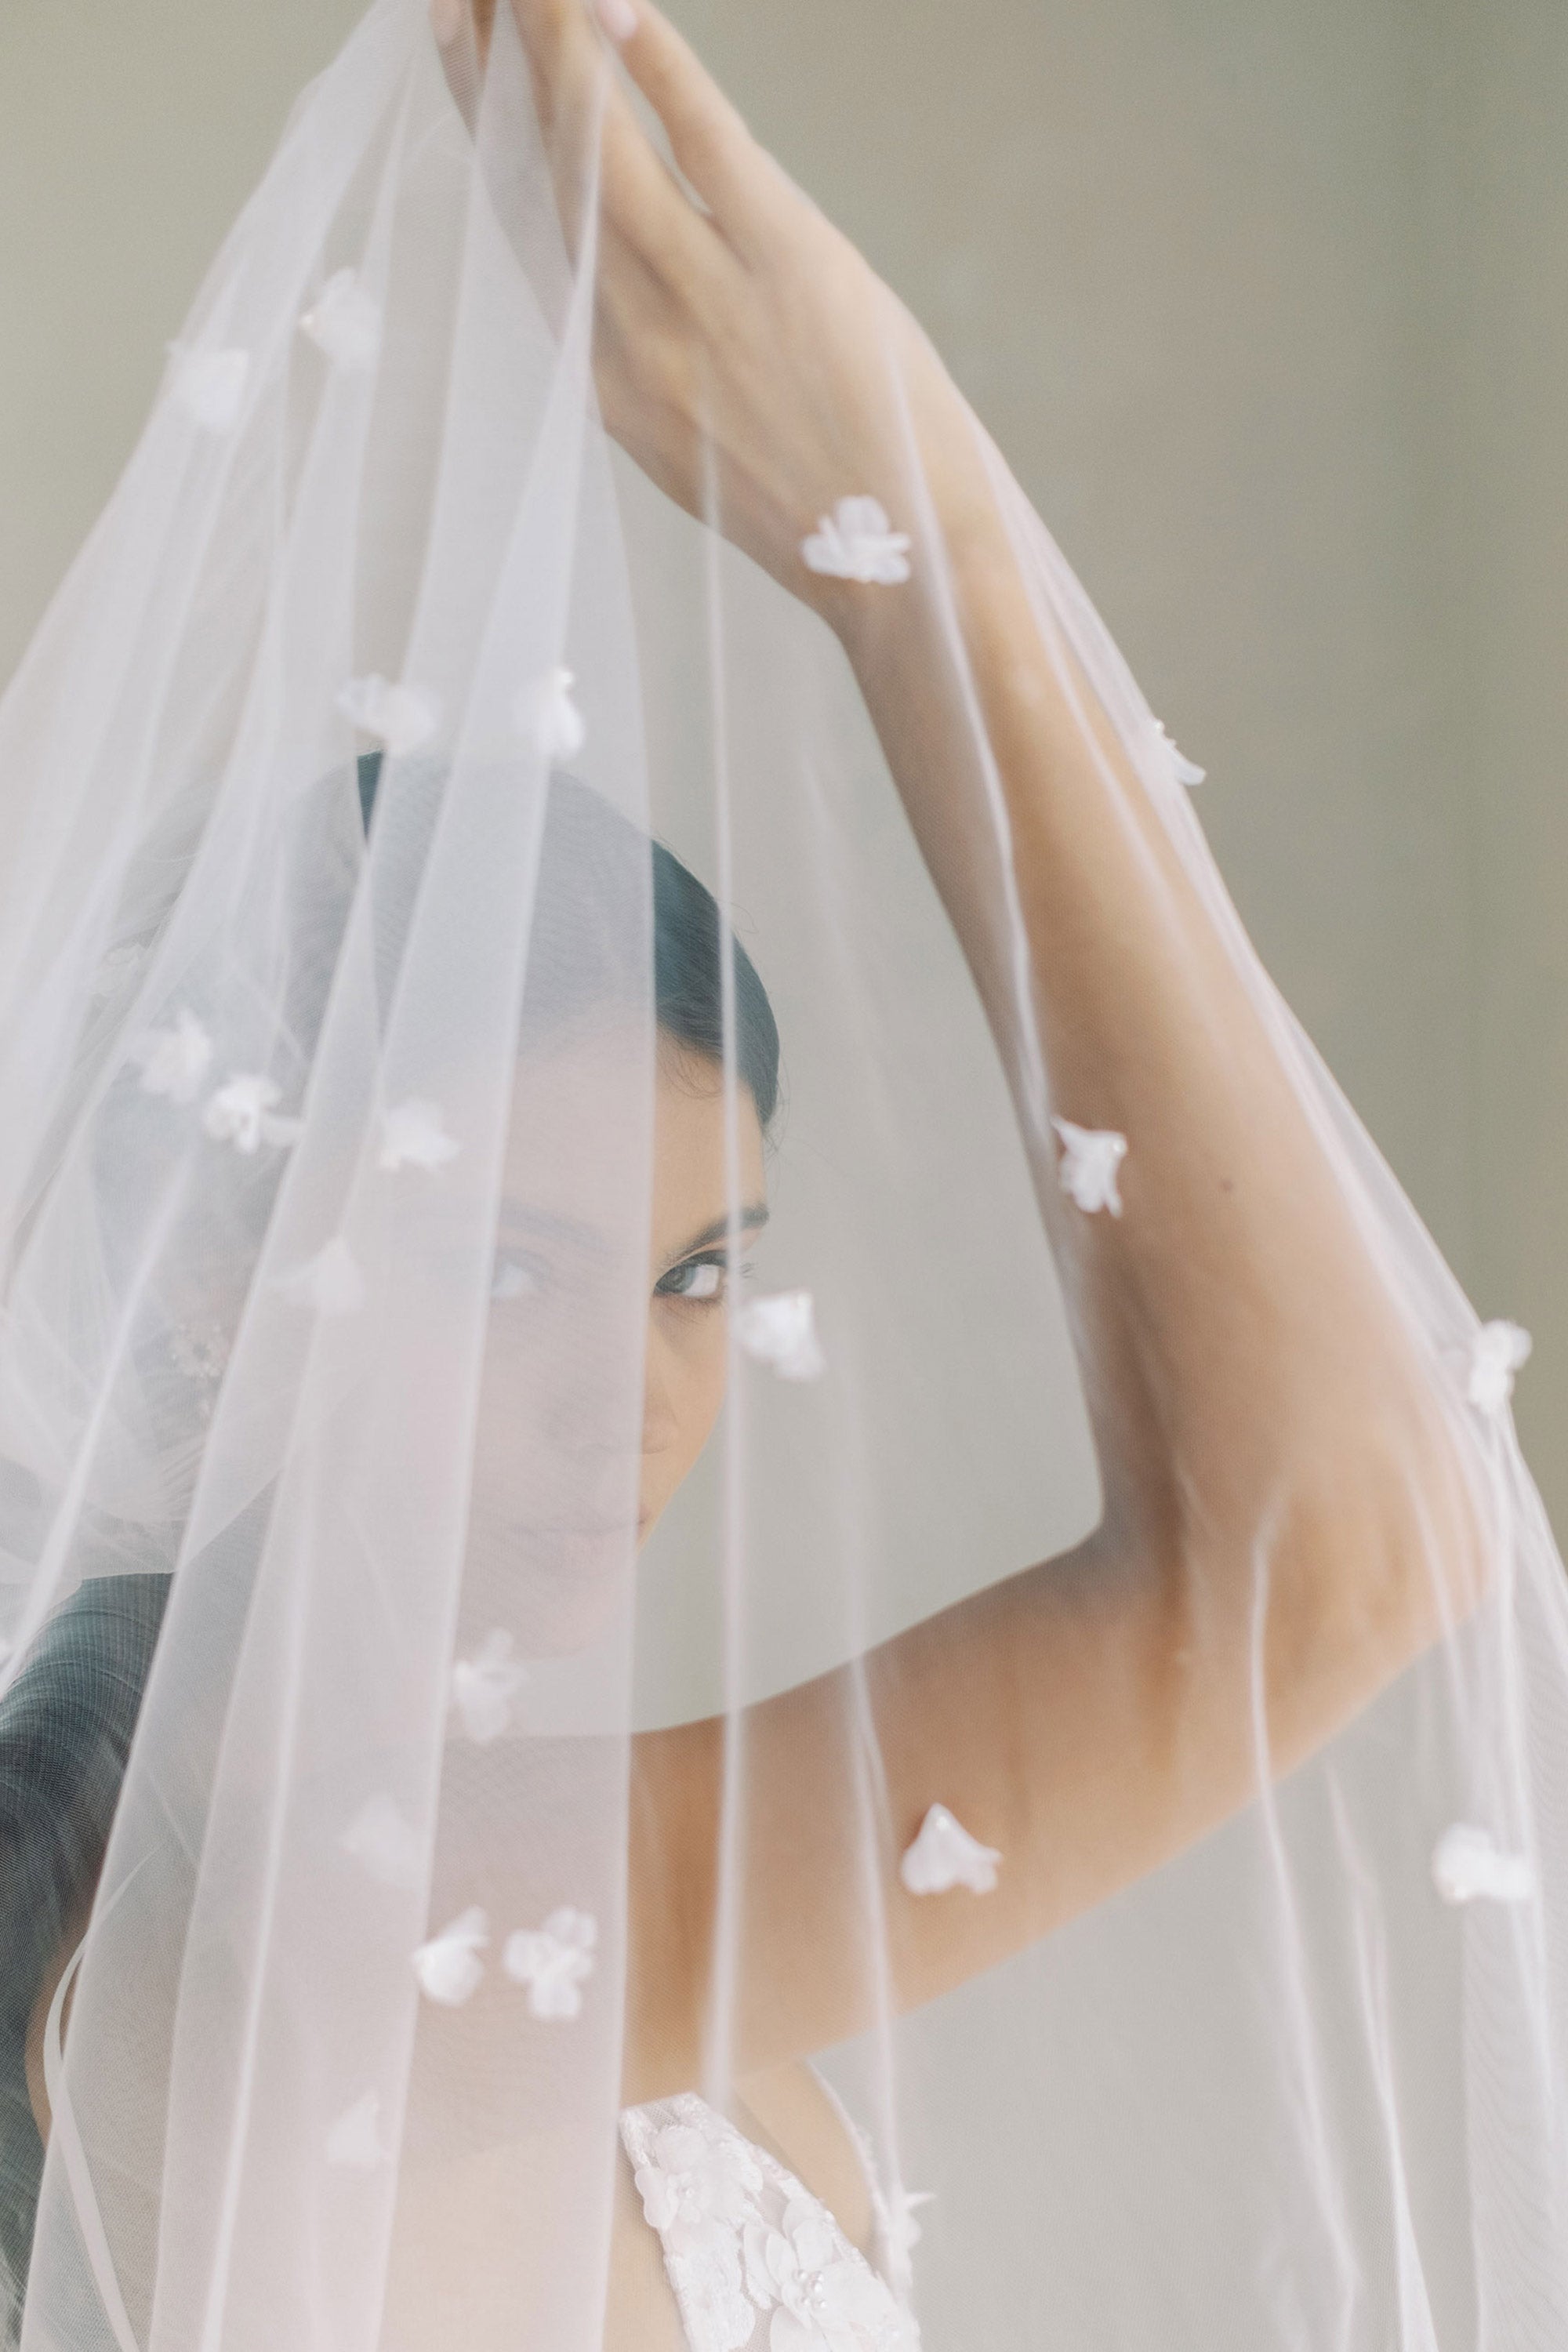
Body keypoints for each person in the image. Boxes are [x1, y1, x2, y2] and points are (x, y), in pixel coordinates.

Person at [0, 3, 1537, 2348]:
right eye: (505, 1263)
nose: (627, 1396)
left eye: (700, 1272)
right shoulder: (299, 1926)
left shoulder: (468, 1913)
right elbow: (1340, 1539)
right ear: (206, 1282)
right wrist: (915, 554)